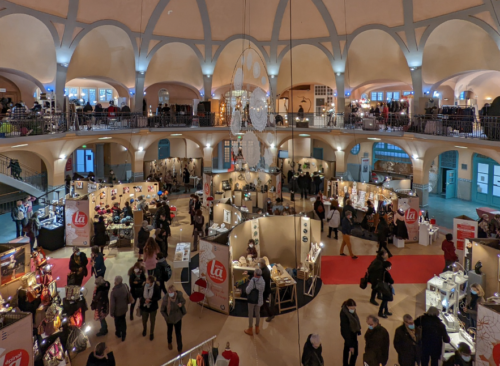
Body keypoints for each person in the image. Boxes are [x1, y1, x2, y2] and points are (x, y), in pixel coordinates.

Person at [160, 285, 186, 353]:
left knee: (178, 333)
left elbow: (184, 301)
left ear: (175, 292)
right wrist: (166, 318)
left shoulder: (179, 296)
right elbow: (162, 310)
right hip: (169, 319)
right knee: (169, 331)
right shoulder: (166, 299)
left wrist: (181, 304)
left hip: (178, 318)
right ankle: (169, 342)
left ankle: (180, 348)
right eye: (169, 292)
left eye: (171, 292)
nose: (170, 294)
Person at [244, 267, 265, 336]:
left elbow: (247, 291)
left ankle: (250, 329)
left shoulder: (252, 281)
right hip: (259, 300)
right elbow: (262, 291)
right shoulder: (262, 281)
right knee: (257, 314)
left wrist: (248, 285)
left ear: (255, 273)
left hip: (252, 300)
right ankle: (257, 328)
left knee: (250, 314)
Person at [340, 299, 361, 366]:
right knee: (354, 352)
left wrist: (357, 330)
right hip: (349, 335)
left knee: (347, 350)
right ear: (347, 306)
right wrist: (351, 345)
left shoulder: (351, 311)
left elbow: (355, 320)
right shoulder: (344, 314)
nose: (353, 309)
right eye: (351, 308)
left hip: (353, 334)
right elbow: (346, 330)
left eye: (354, 308)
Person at [140, 275, 161, 341]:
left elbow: (158, 297)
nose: (146, 284)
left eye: (148, 283)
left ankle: (151, 333)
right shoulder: (143, 286)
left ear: (152, 283)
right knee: (144, 320)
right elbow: (141, 296)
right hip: (144, 306)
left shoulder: (156, 287)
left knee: (152, 321)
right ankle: (144, 329)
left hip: (153, 307)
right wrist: (144, 300)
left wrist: (151, 300)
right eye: (146, 282)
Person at [109, 276, 130, 342]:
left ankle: (118, 333)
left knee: (117, 323)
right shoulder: (125, 286)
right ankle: (124, 334)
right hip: (124, 308)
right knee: (123, 321)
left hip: (117, 311)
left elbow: (112, 304)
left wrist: (111, 313)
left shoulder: (113, 292)